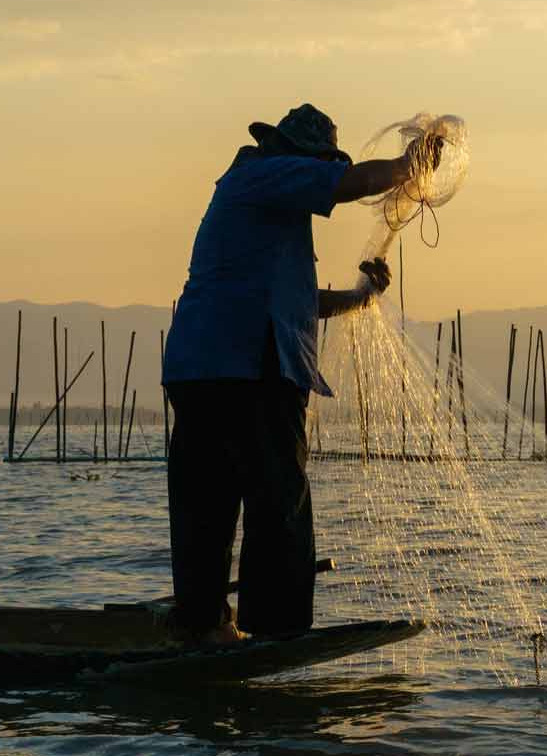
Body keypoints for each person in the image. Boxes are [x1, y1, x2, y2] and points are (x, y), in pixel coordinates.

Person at [160, 103, 424, 645]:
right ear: (298, 159)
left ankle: (201, 624)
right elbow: (352, 182)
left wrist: (359, 297)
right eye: (317, 168)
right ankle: (274, 630)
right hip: (245, 371)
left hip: (206, 368)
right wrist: (407, 166)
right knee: (278, 500)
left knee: (207, 507)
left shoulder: (263, 207)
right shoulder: (264, 174)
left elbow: (300, 302)